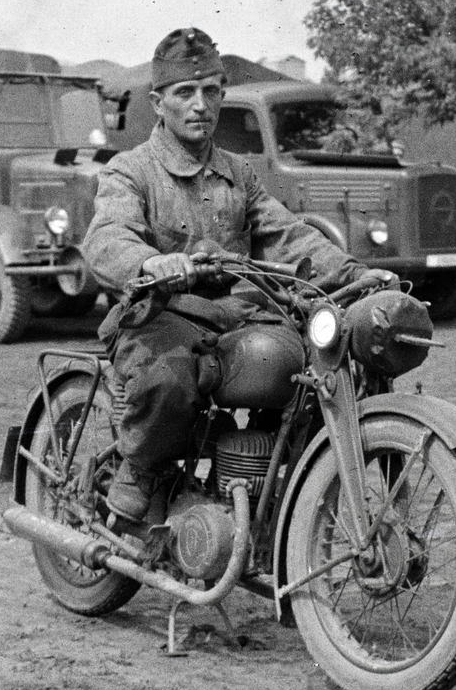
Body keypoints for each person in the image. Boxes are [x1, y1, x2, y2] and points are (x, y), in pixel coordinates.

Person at [81, 27, 393, 520]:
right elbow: (106, 238)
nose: (200, 105)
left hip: (237, 317)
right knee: (169, 374)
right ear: (159, 102)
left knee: (315, 368)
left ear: (223, 96)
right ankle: (141, 467)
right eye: (185, 92)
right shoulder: (130, 170)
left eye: (210, 92)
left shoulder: (239, 173)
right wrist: (151, 263)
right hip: (161, 314)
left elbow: (290, 235)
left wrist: (355, 272)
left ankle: (273, 488)